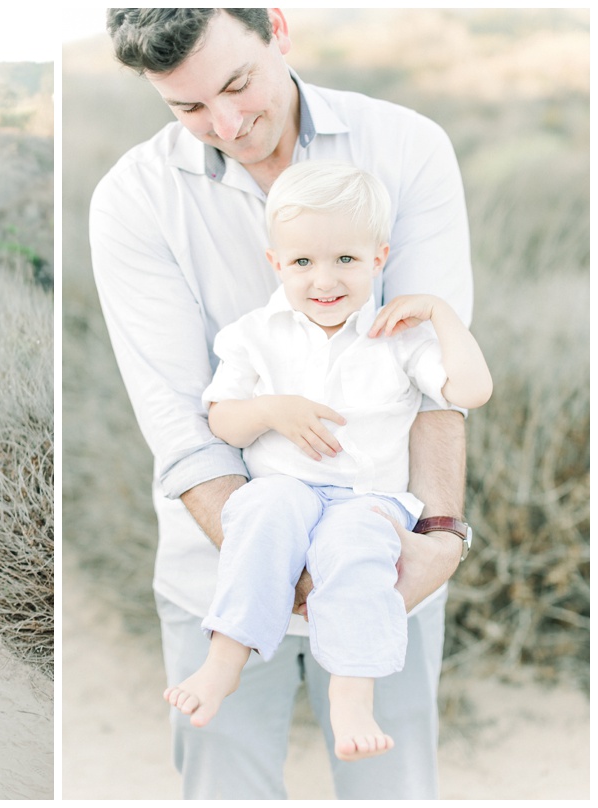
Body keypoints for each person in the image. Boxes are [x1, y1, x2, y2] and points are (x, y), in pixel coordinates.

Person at [90, 8, 475, 799]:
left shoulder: (407, 146)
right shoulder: (132, 199)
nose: (226, 124)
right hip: (220, 566)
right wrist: (269, 561)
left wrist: (437, 534)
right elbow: (180, 419)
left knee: (392, 788)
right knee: (225, 787)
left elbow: (435, 380)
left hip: (386, 552)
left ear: (276, 29)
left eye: (237, 83)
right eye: (188, 108)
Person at [162, 160, 491, 762]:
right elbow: (221, 419)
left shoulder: (400, 340)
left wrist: (441, 314)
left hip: (368, 498)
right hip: (285, 487)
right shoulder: (255, 334)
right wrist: (272, 409)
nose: (325, 280)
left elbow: (470, 393)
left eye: (346, 260)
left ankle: (351, 694)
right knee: (260, 508)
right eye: (303, 263)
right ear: (276, 264)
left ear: (378, 258)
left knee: (360, 545)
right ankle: (224, 660)